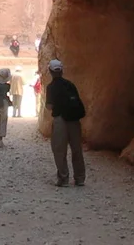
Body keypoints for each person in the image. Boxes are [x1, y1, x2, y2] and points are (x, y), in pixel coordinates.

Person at [45, 59, 86, 187]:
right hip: (74, 120)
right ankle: (79, 178)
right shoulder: (70, 84)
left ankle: (63, 178)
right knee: (77, 149)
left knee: (59, 150)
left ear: (50, 71)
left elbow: (49, 106)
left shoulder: (51, 87)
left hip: (60, 120)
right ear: (62, 70)